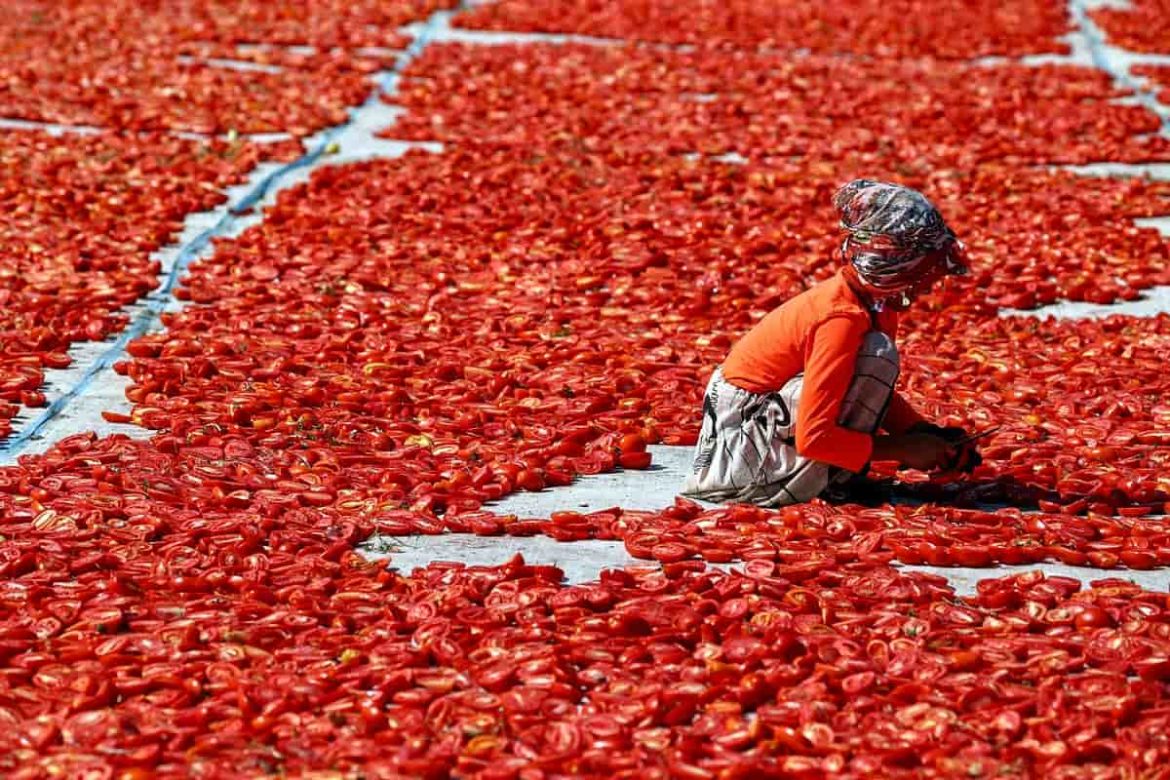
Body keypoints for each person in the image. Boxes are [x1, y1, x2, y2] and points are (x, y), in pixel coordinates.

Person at [681, 179, 982, 507]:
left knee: (873, 357)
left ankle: (832, 473)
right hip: (739, 446)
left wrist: (926, 432)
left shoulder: (875, 305)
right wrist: (902, 449)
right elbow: (814, 438)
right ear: (897, 266)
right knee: (876, 356)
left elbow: (865, 390)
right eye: (927, 274)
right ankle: (804, 480)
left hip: (767, 421)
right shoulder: (840, 319)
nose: (929, 287)